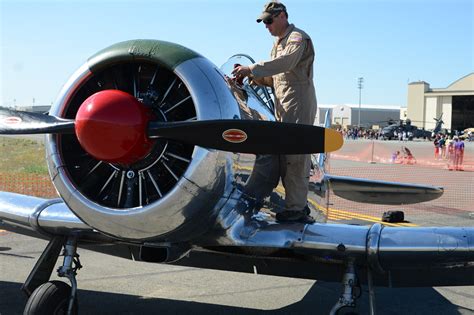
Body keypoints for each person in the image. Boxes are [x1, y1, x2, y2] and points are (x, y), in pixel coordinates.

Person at [232, 1, 317, 223]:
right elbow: (274, 78)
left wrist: (251, 68)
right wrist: (248, 77)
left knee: (296, 157)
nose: (266, 26)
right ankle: (292, 204)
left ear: (282, 16)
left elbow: (285, 64)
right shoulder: (277, 44)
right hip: (283, 106)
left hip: (298, 105)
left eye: (269, 20)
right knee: (282, 155)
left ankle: (297, 209)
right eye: (264, 22)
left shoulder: (297, 38)